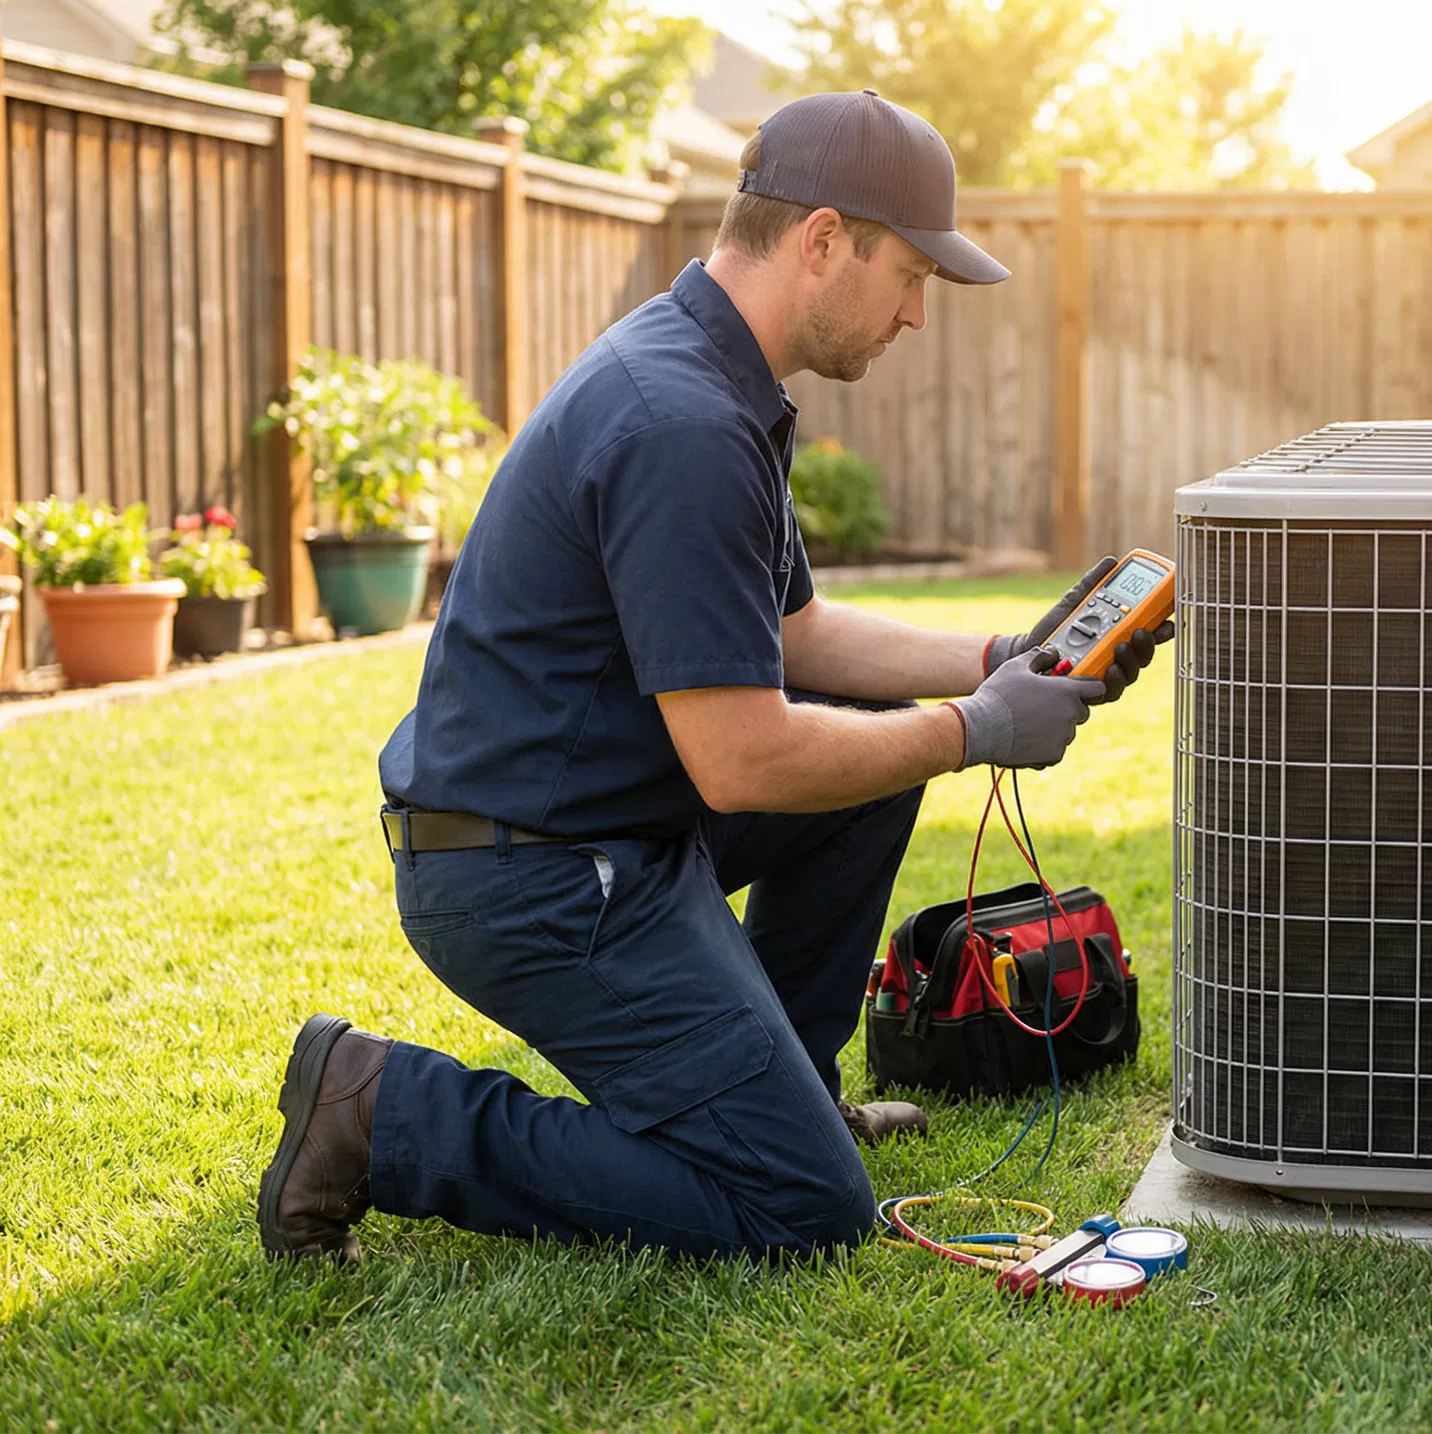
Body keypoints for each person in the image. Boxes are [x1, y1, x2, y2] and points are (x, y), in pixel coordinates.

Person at [254, 90, 1170, 1264]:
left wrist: (1003, 661)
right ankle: (379, 1111)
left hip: (597, 827)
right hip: (532, 879)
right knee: (802, 1211)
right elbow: (743, 761)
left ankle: (781, 1080)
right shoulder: (680, 420)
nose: (918, 316)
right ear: (824, 241)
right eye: (912, 275)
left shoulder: (706, 371)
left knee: (869, 756)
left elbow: (795, 635)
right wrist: (976, 726)